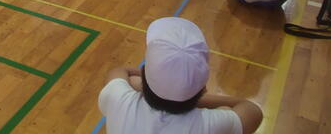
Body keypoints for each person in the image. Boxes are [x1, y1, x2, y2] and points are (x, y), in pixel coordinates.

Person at [98, 17, 263, 134]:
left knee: (132, 82)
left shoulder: (118, 99)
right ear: (203, 89)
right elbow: (252, 110)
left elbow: (119, 71)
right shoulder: (210, 125)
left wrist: (141, 83)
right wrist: (193, 98)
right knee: (226, 110)